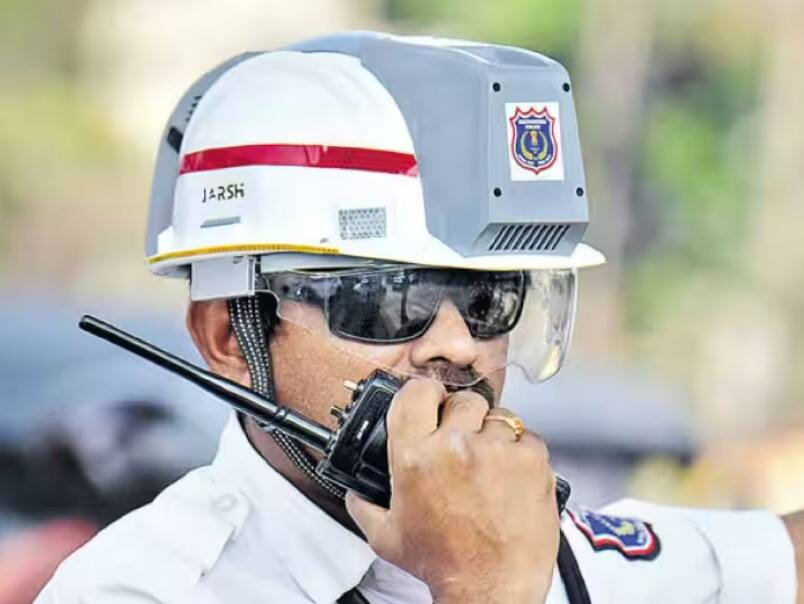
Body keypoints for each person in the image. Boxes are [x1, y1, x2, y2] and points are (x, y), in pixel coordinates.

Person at [36, 32, 804, 603]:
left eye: (488, 300)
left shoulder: (553, 548)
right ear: (226, 338)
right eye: (383, 302)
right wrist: (482, 585)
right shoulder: (143, 589)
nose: (459, 344)